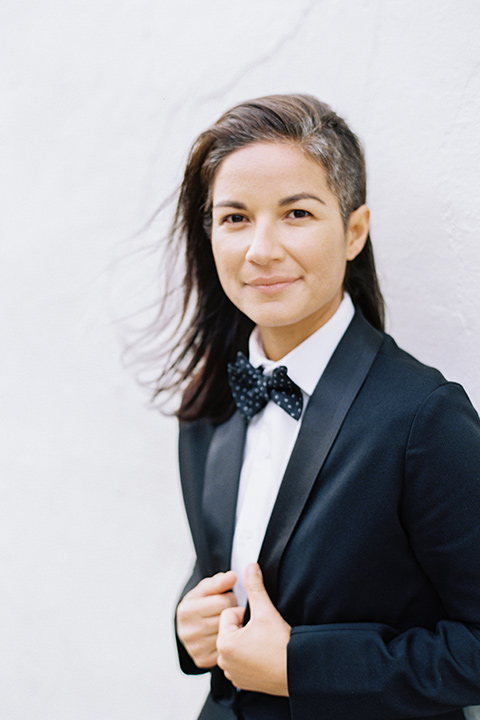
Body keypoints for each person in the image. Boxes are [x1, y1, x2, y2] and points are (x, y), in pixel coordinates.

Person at [155, 94, 480, 719]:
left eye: (296, 213)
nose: (262, 249)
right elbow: (235, 565)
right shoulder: (209, 407)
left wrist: (301, 666)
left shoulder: (423, 418)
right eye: (235, 218)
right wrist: (189, 626)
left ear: (353, 230)